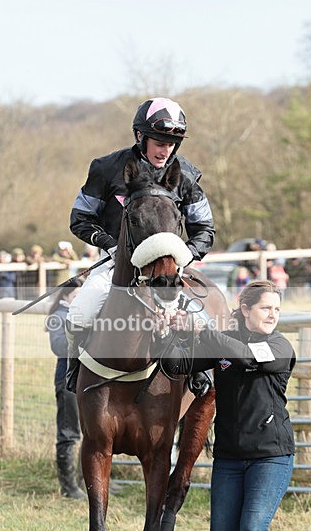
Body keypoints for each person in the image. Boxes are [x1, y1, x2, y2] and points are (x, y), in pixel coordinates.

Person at [167, 280, 295, 531]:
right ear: (245, 308)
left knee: (253, 529)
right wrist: (175, 332)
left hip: (272, 455)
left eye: (277, 309)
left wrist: (204, 329)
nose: (273, 315)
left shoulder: (279, 346)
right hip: (229, 457)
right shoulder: (222, 343)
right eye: (266, 308)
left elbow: (245, 357)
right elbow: (178, 365)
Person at [66, 97, 216, 394]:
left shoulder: (186, 175)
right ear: (140, 136)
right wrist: (110, 245)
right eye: (159, 141)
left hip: (169, 267)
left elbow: (204, 228)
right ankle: (75, 370)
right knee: (80, 312)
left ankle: (202, 377)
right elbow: (80, 218)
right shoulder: (107, 168)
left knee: (206, 319)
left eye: (172, 143)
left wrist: (185, 258)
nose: (166, 150)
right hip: (118, 264)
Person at [46, 279, 85, 499]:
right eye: (77, 295)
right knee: (69, 432)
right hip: (67, 379)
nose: (80, 299)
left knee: (89, 432)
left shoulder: (77, 313)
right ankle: (68, 486)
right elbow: (59, 346)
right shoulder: (59, 317)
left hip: (83, 380)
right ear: (66, 296)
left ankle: (86, 481)